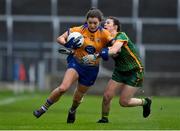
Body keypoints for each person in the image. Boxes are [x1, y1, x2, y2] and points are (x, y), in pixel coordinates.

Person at [33, 8, 113, 123]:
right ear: (86, 21)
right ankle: (43, 108)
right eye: (90, 22)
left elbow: (115, 46)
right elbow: (60, 38)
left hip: (91, 69)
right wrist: (68, 44)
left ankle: (72, 110)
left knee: (78, 96)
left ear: (100, 22)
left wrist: (105, 52)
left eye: (95, 23)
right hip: (77, 63)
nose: (92, 25)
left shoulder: (104, 34)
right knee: (63, 88)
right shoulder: (79, 30)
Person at [83, 16, 152, 123]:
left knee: (124, 102)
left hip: (135, 71)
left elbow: (115, 50)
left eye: (108, 23)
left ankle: (145, 102)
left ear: (115, 26)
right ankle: (104, 119)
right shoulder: (106, 40)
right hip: (120, 71)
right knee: (106, 96)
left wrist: (96, 56)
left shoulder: (121, 35)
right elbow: (96, 48)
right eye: (105, 23)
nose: (105, 24)